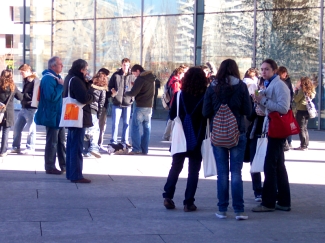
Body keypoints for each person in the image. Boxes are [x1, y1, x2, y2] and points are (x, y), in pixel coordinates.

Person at [202, 59, 252, 220]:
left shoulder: (212, 87)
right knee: (236, 172)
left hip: (218, 134)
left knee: (222, 173)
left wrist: (218, 113)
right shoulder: (242, 86)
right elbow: (247, 110)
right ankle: (239, 210)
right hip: (238, 132)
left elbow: (205, 111)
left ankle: (222, 209)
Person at [162, 67, 208, 212]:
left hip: (180, 137)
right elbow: (207, 114)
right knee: (193, 171)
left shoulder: (180, 95)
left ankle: (168, 196)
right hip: (198, 137)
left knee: (175, 167)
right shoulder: (205, 96)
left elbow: (171, 116)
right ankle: (189, 202)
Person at [252, 59, 291, 212]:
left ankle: (268, 202)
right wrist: (259, 101)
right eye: (262, 69)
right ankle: (283, 200)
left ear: (274, 70)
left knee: (270, 165)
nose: (263, 72)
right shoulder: (269, 84)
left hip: (277, 129)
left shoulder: (279, 85)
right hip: (272, 128)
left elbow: (283, 108)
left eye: (267, 69)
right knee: (278, 165)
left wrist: (264, 101)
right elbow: (267, 107)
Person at [34, 56, 66, 175]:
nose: (62, 66)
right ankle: (50, 166)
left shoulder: (57, 77)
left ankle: (64, 165)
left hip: (58, 115)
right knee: (52, 141)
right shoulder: (48, 78)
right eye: (60, 64)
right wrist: (60, 86)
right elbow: (51, 97)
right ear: (53, 66)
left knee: (61, 141)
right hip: (52, 115)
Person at [63, 59, 94, 183]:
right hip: (78, 116)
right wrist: (92, 93)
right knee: (76, 146)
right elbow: (84, 98)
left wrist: (87, 83)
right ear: (81, 69)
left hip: (71, 114)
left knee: (71, 144)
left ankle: (71, 173)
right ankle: (76, 175)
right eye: (86, 69)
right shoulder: (76, 80)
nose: (87, 72)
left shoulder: (69, 77)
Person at [124, 64, 155, 155]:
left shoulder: (140, 78)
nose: (134, 75)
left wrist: (126, 93)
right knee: (147, 128)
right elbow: (145, 90)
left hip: (140, 105)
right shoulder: (151, 78)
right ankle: (145, 149)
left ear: (138, 71)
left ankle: (136, 148)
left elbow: (133, 92)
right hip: (149, 106)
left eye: (134, 73)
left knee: (135, 127)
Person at [246, 77, 266, 202]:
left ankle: (270, 190)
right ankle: (257, 191)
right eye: (261, 85)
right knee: (254, 164)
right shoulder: (253, 97)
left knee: (269, 165)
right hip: (255, 134)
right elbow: (248, 116)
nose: (262, 88)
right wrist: (255, 109)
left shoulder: (272, 98)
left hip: (269, 134)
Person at [11, 64, 38, 154]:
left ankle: (30, 147)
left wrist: (22, 95)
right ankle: (15, 146)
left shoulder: (34, 80)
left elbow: (34, 94)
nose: (21, 74)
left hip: (31, 107)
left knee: (31, 129)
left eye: (22, 73)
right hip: (24, 107)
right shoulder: (27, 80)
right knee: (17, 128)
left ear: (27, 71)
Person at [107, 58, 135, 146]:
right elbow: (109, 85)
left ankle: (125, 141)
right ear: (121, 65)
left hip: (127, 102)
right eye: (124, 65)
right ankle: (113, 141)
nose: (125, 67)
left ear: (129, 65)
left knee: (126, 123)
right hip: (117, 102)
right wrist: (112, 90)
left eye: (127, 65)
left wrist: (132, 97)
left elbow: (136, 88)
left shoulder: (132, 76)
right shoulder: (116, 75)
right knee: (115, 123)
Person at [83, 70, 108, 158]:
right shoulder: (103, 90)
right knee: (95, 131)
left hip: (85, 110)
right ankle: (94, 148)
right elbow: (101, 104)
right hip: (93, 111)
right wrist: (99, 115)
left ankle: (85, 150)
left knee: (86, 131)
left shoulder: (89, 86)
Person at [0, 70, 23, 157]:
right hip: (8, 113)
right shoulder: (13, 87)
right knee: (6, 131)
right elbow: (20, 97)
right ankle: (3, 151)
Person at [162, 66, 185, 141]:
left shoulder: (172, 79)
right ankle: (171, 136)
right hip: (175, 102)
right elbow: (176, 93)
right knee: (174, 120)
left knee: (170, 119)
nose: (183, 75)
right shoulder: (176, 82)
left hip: (172, 102)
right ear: (179, 73)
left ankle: (166, 135)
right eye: (182, 74)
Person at [293, 76, 316, 151]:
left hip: (301, 110)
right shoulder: (311, 90)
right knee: (305, 128)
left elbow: (296, 99)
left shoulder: (302, 90)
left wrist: (296, 90)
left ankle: (303, 145)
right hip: (307, 110)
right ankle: (306, 144)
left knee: (301, 128)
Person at [277, 66, 294, 150]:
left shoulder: (287, 81)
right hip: (280, 106)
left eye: (286, 73)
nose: (285, 74)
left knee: (288, 123)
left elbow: (291, 93)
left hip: (287, 106)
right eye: (283, 73)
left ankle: (288, 142)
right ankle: (284, 142)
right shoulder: (277, 81)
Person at [96, 68, 110, 149]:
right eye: (106, 76)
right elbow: (102, 98)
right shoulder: (99, 84)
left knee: (101, 126)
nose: (107, 78)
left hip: (102, 106)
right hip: (100, 107)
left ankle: (98, 143)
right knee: (100, 126)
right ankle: (97, 144)